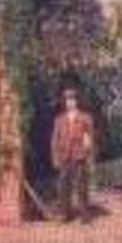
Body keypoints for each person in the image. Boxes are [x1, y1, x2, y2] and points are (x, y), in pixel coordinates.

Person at [50, 87, 97, 222]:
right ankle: (65, 213)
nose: (70, 102)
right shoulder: (59, 120)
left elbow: (90, 139)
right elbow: (54, 140)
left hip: (79, 156)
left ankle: (84, 214)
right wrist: (55, 157)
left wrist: (90, 156)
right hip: (64, 156)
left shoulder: (85, 118)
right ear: (64, 102)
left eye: (73, 99)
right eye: (67, 100)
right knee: (64, 186)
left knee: (81, 185)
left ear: (77, 101)